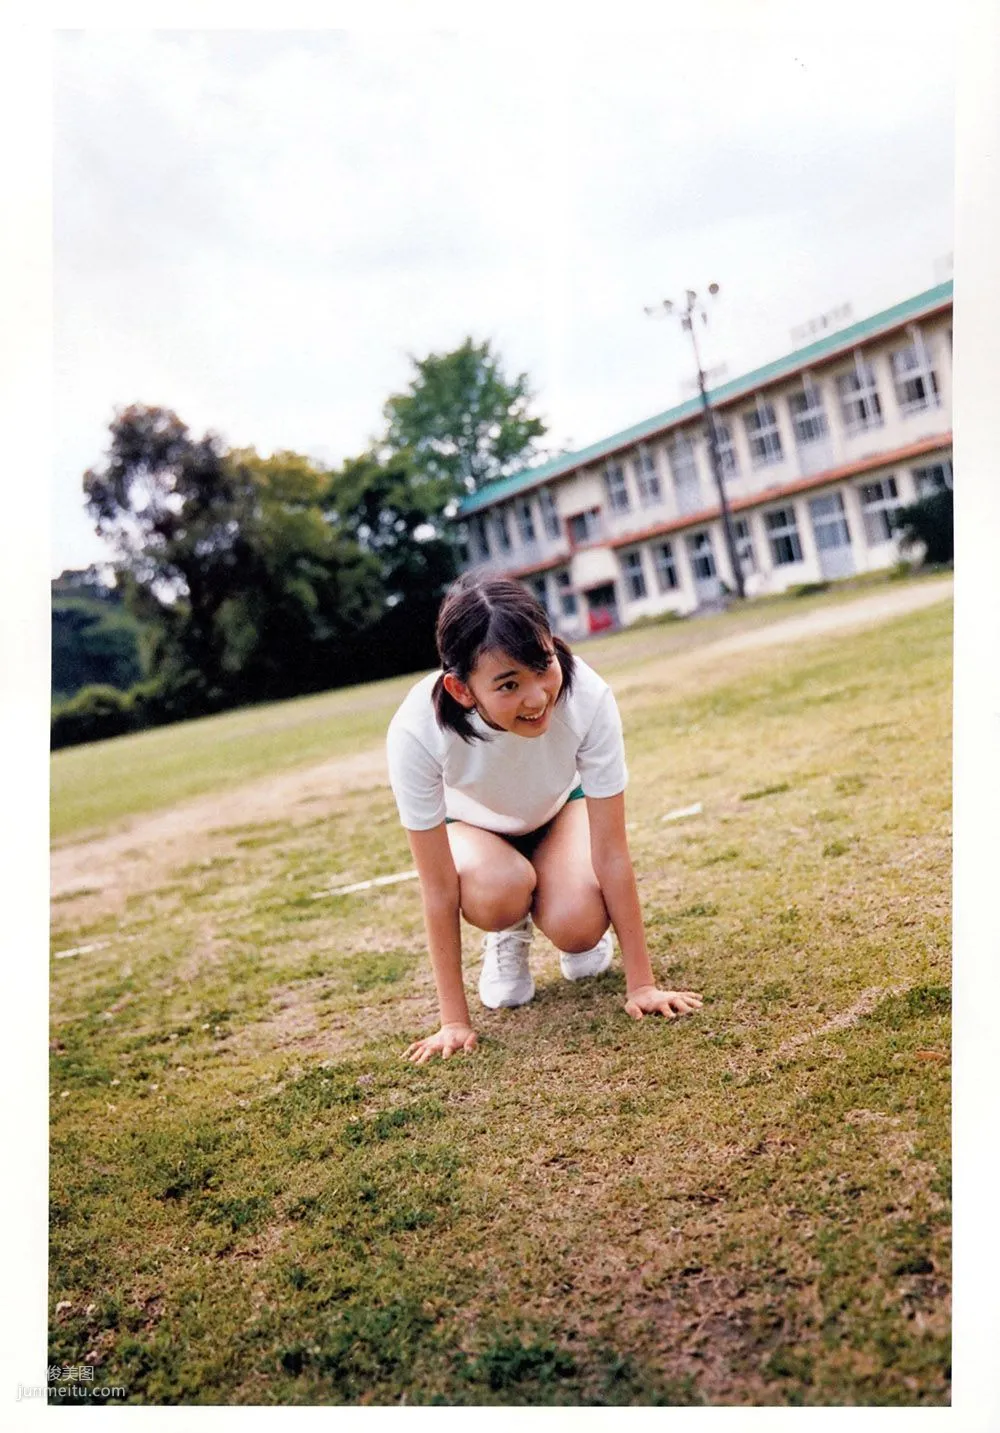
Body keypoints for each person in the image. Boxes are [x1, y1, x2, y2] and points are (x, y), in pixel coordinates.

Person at [386, 574, 702, 1064]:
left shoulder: (589, 698)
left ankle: (563, 912)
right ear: (461, 689)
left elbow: (612, 853)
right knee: (498, 891)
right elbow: (439, 887)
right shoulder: (417, 730)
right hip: (474, 831)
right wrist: (454, 1021)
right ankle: (508, 930)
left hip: (559, 812)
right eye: (508, 684)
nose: (537, 698)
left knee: (578, 926)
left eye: (543, 666)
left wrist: (642, 984)